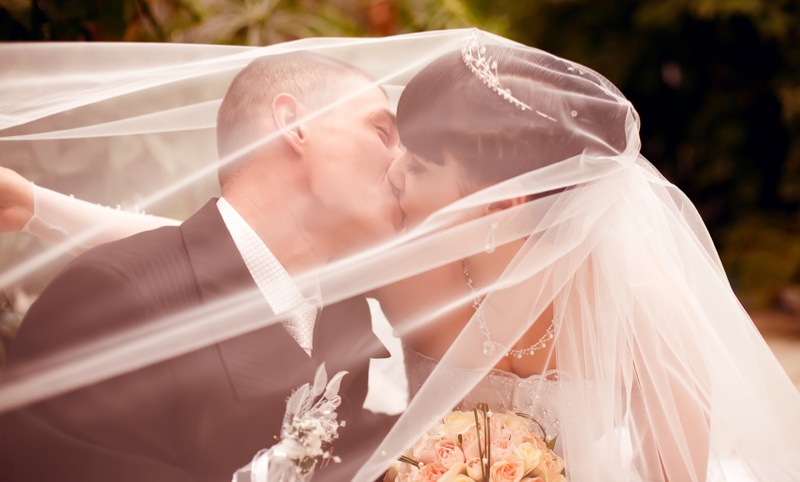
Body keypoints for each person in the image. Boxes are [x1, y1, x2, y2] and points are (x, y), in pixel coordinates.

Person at [3, 29, 800, 481]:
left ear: (501, 204)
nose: (395, 176)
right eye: (395, 147)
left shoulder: (633, 293)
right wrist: (41, 208)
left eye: (416, 164)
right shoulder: (413, 265)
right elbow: (217, 266)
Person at [0, 50, 402, 482]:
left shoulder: (346, 319)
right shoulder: (112, 299)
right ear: (293, 123)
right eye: (383, 133)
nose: (402, 166)